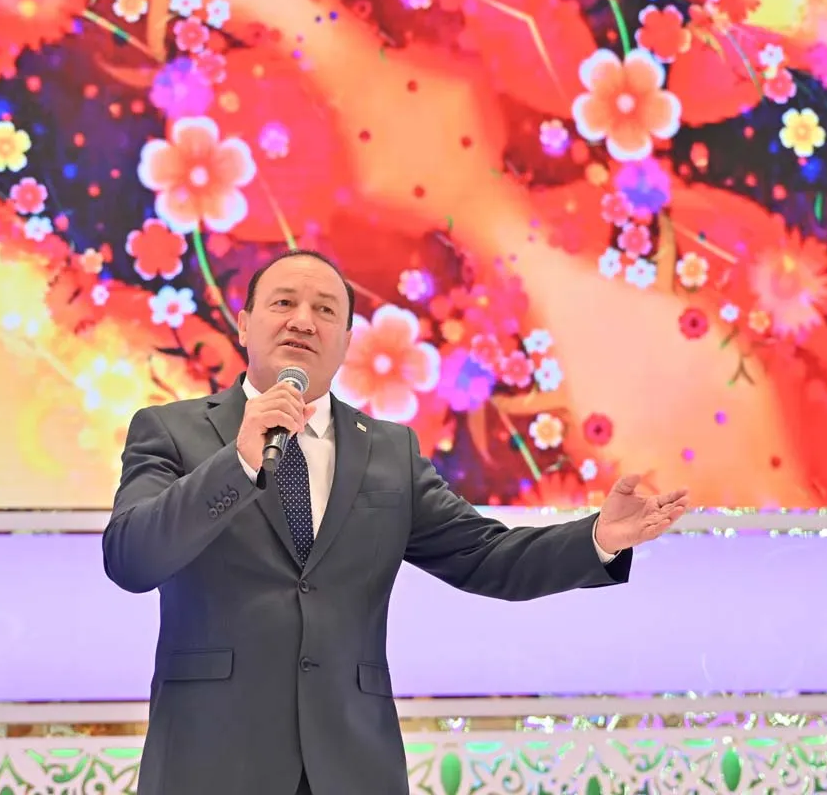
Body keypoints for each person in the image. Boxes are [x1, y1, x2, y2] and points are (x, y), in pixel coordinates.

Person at [102, 249, 690, 795]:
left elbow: (486, 557)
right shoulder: (171, 430)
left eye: (325, 310)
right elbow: (132, 559)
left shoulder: (389, 452)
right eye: (283, 303)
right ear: (243, 324)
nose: (303, 321)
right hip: (210, 761)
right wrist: (239, 461)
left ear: (346, 342)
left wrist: (598, 538)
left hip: (352, 765)